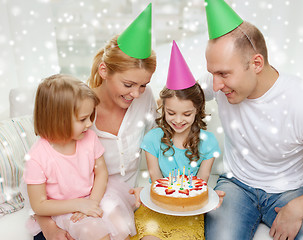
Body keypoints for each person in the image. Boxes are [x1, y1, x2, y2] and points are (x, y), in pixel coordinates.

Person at [202, 0, 303, 240]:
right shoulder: (220, 82)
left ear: (256, 63)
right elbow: (177, 94)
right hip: (235, 185)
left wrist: (298, 208)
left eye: (223, 74)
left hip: (290, 192)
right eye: (211, 74)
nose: (215, 86)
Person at [32, 4, 157, 240]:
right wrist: (49, 228)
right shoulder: (76, 106)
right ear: (104, 70)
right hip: (74, 207)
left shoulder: (145, 99)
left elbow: (159, 143)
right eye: (128, 85)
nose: (137, 94)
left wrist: (152, 186)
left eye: (143, 85)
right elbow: (45, 169)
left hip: (118, 202)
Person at [132, 41, 221, 240]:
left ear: (197, 111)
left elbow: (202, 182)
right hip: (156, 207)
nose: (178, 120)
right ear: (162, 108)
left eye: (187, 114)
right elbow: (156, 179)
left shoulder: (208, 142)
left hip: (189, 212)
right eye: (171, 112)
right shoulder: (152, 139)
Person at [24, 74, 128, 240]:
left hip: (93, 197)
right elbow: (39, 205)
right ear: (58, 119)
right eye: (83, 119)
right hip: (61, 210)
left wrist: (92, 202)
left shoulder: (90, 138)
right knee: (93, 230)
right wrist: (79, 205)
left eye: (90, 117)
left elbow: (101, 173)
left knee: (118, 220)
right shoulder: (37, 157)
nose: (89, 124)